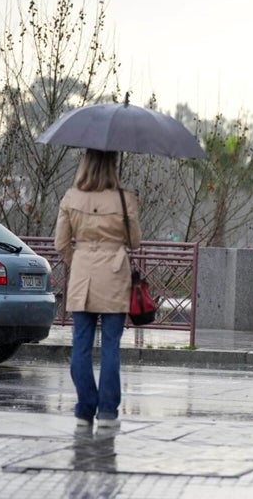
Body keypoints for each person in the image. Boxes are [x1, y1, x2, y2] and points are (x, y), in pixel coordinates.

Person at [54, 149, 141, 427]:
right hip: (115, 275)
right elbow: (135, 241)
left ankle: (84, 408)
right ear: (113, 164)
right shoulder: (124, 199)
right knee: (111, 347)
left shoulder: (71, 197)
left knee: (81, 345)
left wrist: (79, 260)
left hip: (82, 276)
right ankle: (107, 412)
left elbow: (60, 244)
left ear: (85, 163)